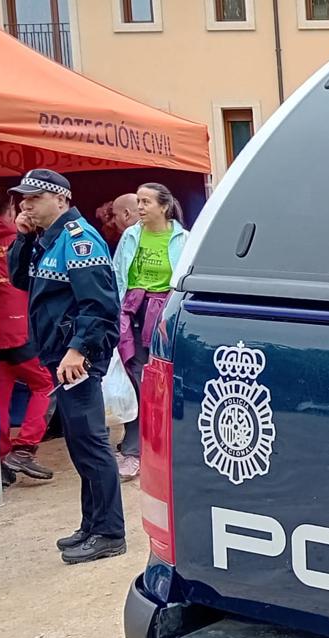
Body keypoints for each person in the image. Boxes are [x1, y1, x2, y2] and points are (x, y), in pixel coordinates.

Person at [6, 169, 126, 564]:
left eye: (33, 198)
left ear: (60, 199)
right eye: (22, 199)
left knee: (91, 444)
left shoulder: (79, 241)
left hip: (77, 359)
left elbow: (100, 305)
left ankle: (109, 531)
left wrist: (79, 351)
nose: (25, 205)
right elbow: (20, 279)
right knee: (78, 442)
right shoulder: (46, 239)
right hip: (60, 356)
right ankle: (92, 524)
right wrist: (23, 238)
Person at [111, 183, 187, 480]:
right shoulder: (130, 236)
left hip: (167, 317)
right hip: (134, 314)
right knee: (136, 380)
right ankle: (134, 451)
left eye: (146, 202)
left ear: (164, 207)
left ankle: (167, 447)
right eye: (139, 201)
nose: (140, 207)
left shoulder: (183, 238)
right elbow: (118, 276)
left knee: (164, 381)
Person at [0, 188, 55, 484]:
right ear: (11, 208)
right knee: (47, 384)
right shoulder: (21, 238)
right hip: (21, 329)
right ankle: (24, 448)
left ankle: (0, 461)